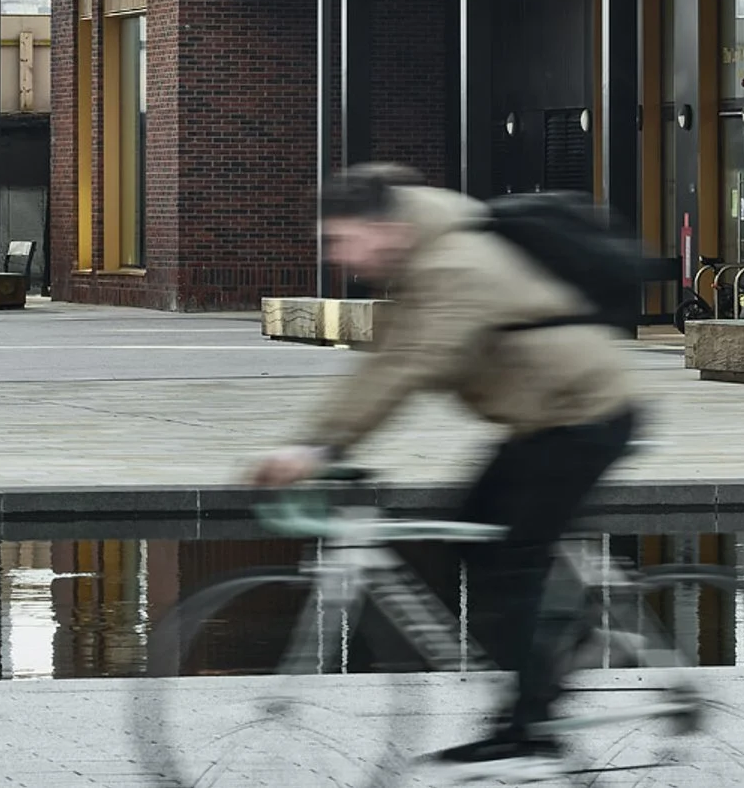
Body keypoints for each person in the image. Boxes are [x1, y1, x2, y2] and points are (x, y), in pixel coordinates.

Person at [251, 164, 643, 767]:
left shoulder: (453, 265)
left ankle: (531, 718)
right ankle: (551, 655)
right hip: (542, 419)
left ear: (381, 227)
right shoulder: (426, 261)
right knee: (472, 532)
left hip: (585, 417)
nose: (339, 257)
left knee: (510, 561)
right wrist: (323, 443)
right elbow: (387, 363)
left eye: (341, 238)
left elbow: (409, 366)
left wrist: (318, 449)